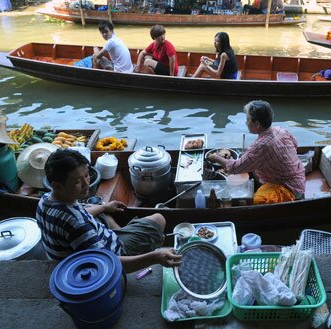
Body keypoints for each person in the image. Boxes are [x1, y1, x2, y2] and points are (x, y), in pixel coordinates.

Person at [36, 149, 182, 273]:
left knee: (103, 212)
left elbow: (82, 215)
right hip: (106, 257)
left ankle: (122, 231)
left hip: (80, 249)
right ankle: (139, 250)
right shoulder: (76, 223)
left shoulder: (46, 199)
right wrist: (154, 257)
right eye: (77, 181)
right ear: (57, 185)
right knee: (159, 219)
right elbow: (107, 263)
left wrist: (104, 207)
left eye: (86, 175)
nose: (87, 184)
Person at [208, 100, 306, 205]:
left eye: (247, 120)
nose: (246, 123)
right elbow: (295, 145)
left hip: (289, 188)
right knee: (250, 165)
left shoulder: (261, 146)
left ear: (257, 124)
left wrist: (215, 157)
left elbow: (234, 168)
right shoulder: (280, 130)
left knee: (254, 201)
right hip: (298, 178)